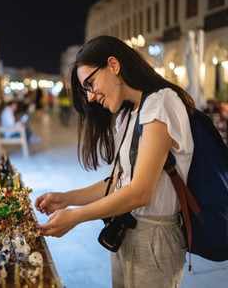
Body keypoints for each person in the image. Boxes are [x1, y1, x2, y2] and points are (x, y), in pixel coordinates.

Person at [35, 36, 194, 288]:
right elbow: (119, 183)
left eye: (90, 83)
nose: (90, 97)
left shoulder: (161, 103)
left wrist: (76, 217)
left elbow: (139, 192)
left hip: (154, 236)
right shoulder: (129, 113)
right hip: (125, 230)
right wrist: (67, 198)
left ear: (113, 65)